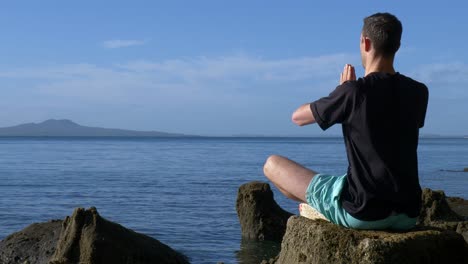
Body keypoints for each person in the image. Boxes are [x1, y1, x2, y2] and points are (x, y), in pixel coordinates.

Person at [263, 12, 429, 230]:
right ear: (397, 46)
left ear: (365, 42)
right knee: (342, 181)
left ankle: (319, 209)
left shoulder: (353, 92)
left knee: (272, 164)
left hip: (365, 212)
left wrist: (340, 92)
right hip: (408, 213)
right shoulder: (418, 92)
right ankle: (323, 205)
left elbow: (298, 118)